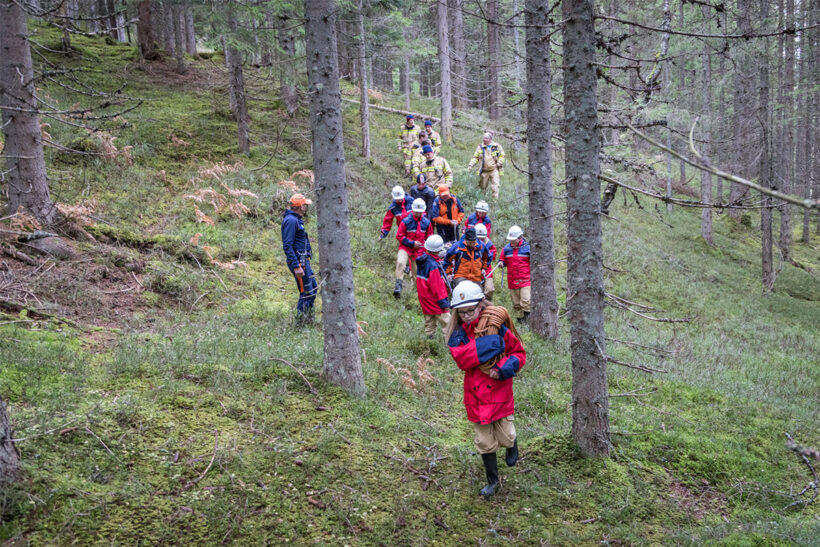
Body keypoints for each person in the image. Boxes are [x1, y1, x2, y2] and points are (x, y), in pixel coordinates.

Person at [446, 281, 526, 498]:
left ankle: (511, 445)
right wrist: (489, 344)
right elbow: (461, 359)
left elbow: (519, 354)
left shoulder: (497, 326)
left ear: (481, 305)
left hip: (499, 391)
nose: (466, 316)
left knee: (506, 435)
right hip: (476, 396)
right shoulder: (458, 334)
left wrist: (502, 368)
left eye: (470, 310)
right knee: (484, 442)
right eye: (461, 312)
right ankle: (492, 480)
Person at [282, 193, 317, 324]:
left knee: (312, 289)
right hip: (299, 263)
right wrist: (296, 266)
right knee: (306, 292)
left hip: (303, 261)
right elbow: (287, 245)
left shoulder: (295, 219)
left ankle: (309, 320)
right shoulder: (291, 221)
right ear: (300, 206)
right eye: (305, 205)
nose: (306, 207)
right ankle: (301, 323)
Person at [394, 198, 433, 298]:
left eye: (420, 212)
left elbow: (429, 237)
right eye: (417, 212)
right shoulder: (406, 221)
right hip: (405, 247)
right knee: (401, 262)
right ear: (413, 210)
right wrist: (411, 243)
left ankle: (414, 294)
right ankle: (398, 285)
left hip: (419, 251)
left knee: (416, 273)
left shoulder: (427, 223)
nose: (418, 214)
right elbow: (399, 236)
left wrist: (427, 251)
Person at [415, 235, 451, 339]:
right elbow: (437, 288)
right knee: (447, 322)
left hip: (424, 298)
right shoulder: (433, 266)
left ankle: (430, 341)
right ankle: (451, 346)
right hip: (435, 300)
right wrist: (444, 302)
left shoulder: (423, 261)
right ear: (439, 250)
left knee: (429, 321)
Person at [498, 225, 531, 324]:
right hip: (512, 280)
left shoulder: (527, 248)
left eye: (514, 239)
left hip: (526, 279)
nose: (511, 241)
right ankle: (521, 321)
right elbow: (502, 260)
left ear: (520, 237)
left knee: (526, 301)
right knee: (516, 303)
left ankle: (529, 320)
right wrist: (501, 263)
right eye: (510, 239)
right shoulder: (506, 249)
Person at [467, 132, 505, 200]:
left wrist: (499, 163)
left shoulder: (496, 146)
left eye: (486, 138)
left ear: (490, 139)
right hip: (484, 171)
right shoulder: (480, 147)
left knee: (495, 187)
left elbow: (502, 156)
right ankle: (482, 201)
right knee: (482, 187)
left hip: (494, 170)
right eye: (483, 138)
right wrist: (470, 165)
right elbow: (475, 157)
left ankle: (495, 202)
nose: (484, 139)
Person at [475, 223, 497, 301]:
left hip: (487, 270)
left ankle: (487, 302)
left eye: (482, 238)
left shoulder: (490, 245)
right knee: (477, 290)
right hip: (474, 271)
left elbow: (493, 257)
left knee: (489, 289)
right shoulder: (470, 244)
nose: (480, 240)